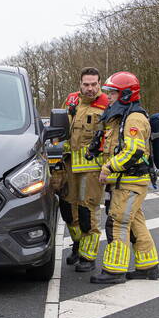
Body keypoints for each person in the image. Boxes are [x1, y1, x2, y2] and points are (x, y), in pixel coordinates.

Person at [90, 71, 159, 284]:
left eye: (112, 92)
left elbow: (133, 151)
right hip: (126, 182)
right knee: (136, 221)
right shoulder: (123, 116)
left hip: (130, 182)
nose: (108, 96)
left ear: (127, 94)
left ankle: (114, 270)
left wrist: (108, 167)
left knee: (118, 221)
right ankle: (148, 266)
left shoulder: (134, 118)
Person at [63, 68, 110, 272]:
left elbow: (113, 138)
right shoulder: (71, 100)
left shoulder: (108, 104)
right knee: (67, 210)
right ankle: (77, 245)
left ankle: (88, 257)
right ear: (80, 84)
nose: (90, 88)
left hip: (92, 169)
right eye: (86, 84)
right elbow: (61, 130)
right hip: (68, 166)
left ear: (99, 84)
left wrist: (109, 168)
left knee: (87, 211)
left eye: (94, 84)